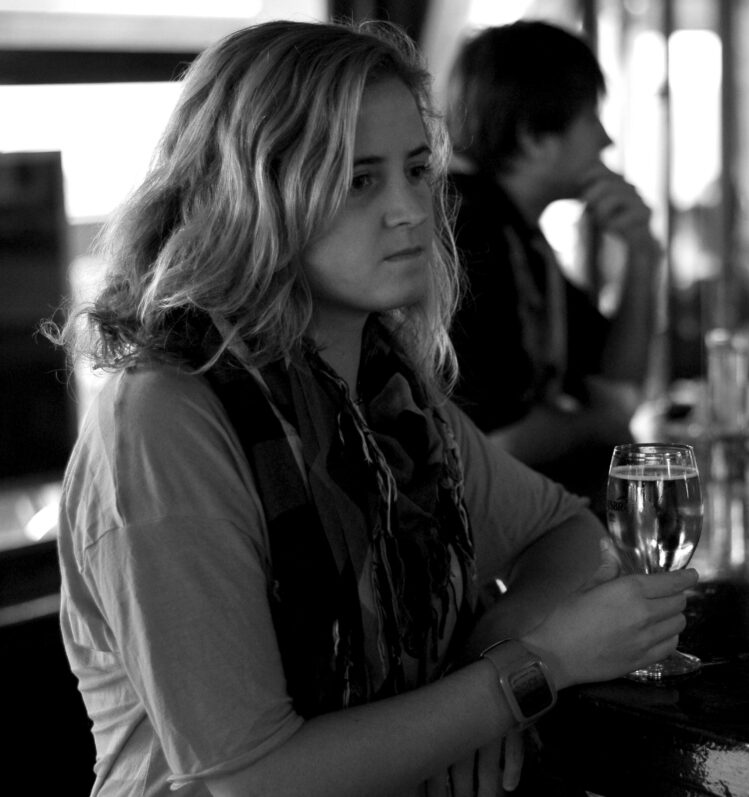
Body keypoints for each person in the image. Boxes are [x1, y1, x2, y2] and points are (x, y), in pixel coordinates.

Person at [47, 19, 696, 797]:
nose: (411, 209)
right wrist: (530, 670)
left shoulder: (385, 394)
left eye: (417, 170)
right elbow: (256, 781)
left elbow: (567, 532)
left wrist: (487, 660)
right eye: (360, 180)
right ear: (254, 195)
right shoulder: (165, 419)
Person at [444, 20, 663, 505]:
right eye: (591, 118)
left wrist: (644, 256)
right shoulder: (467, 232)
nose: (605, 140)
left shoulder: (517, 235)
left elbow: (616, 380)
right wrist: (600, 425)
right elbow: (501, 439)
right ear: (534, 137)